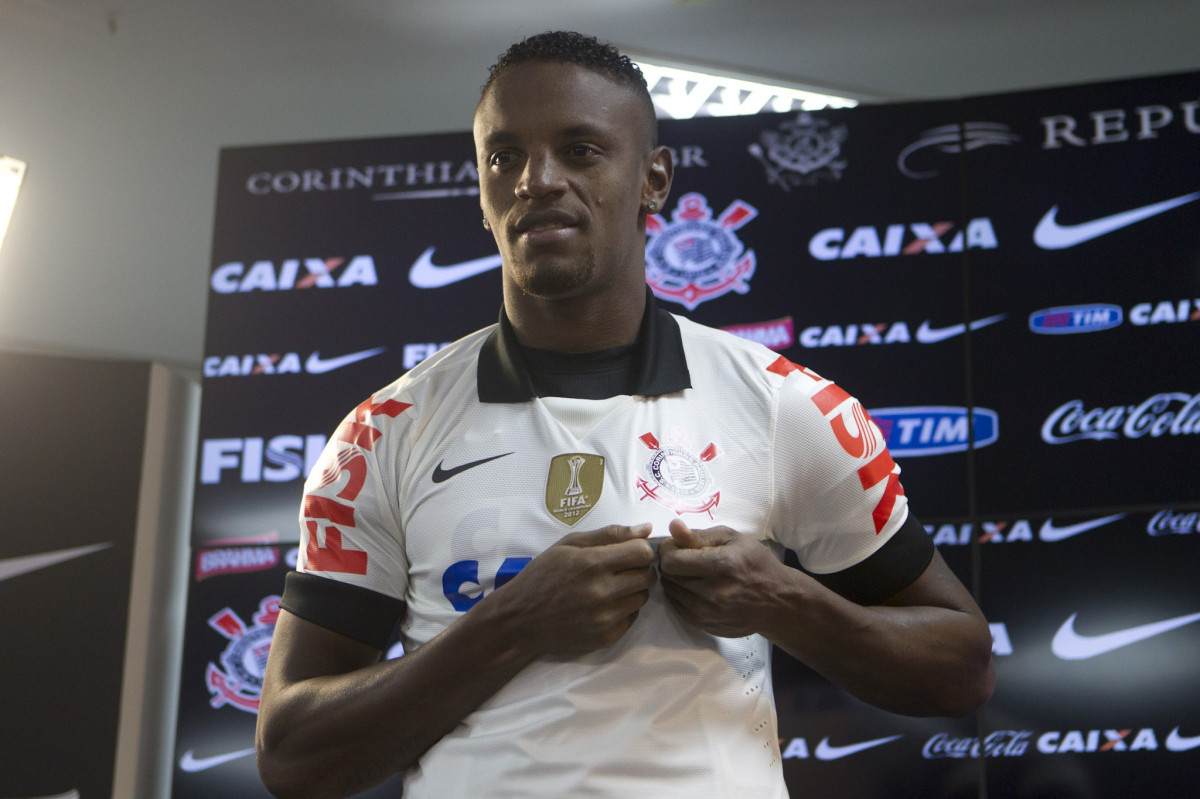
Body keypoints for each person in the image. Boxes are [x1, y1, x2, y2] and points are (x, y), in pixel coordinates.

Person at [255, 30, 995, 799]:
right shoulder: (384, 433)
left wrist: (783, 600)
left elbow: (962, 667)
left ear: (654, 178)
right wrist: (513, 624)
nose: (538, 180)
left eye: (580, 150)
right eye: (504, 157)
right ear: (481, 192)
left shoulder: (784, 406)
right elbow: (292, 752)